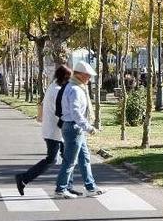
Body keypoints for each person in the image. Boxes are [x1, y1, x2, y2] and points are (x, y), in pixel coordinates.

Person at [15, 65, 83, 196]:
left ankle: (67, 186)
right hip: (55, 131)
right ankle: (24, 178)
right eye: (68, 78)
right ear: (64, 78)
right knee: (55, 159)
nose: (70, 80)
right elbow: (61, 111)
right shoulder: (58, 90)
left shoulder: (53, 87)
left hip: (54, 130)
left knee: (67, 158)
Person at [54, 60, 105, 199]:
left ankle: (90, 186)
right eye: (88, 75)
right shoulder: (75, 89)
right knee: (70, 161)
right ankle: (61, 188)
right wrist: (89, 128)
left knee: (85, 159)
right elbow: (76, 113)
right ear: (80, 75)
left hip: (75, 127)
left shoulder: (76, 87)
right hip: (73, 127)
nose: (89, 78)